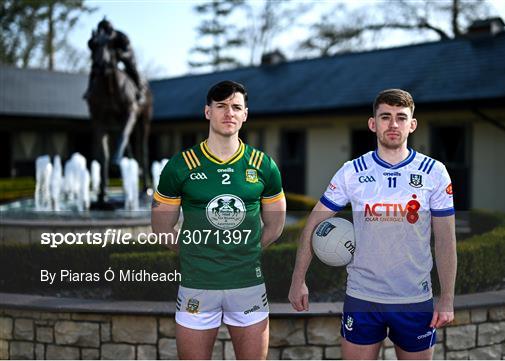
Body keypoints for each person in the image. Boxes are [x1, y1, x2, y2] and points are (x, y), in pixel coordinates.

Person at [288, 89, 457, 360]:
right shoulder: (352, 171)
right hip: (362, 296)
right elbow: (314, 223)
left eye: (401, 118)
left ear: (412, 124)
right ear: (372, 123)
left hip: (413, 299)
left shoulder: (434, 172)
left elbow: (446, 239)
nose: (393, 124)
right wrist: (298, 280)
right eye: (385, 117)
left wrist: (447, 297)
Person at [151, 80, 286, 359]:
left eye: (236, 107)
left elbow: (275, 225)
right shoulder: (180, 165)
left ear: (245, 114)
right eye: (221, 106)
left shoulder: (263, 165)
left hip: (248, 284)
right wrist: (192, 251)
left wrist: (248, 251)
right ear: (207, 112)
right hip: (197, 284)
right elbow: (161, 226)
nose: (229, 113)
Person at [86, 18, 145, 103]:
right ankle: (90, 90)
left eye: (106, 32)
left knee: (131, 68)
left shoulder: (121, 37)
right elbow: (91, 46)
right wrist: (94, 41)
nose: (104, 35)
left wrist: (121, 54)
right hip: (110, 58)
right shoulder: (100, 38)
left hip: (124, 56)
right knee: (95, 67)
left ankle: (139, 91)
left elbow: (128, 51)